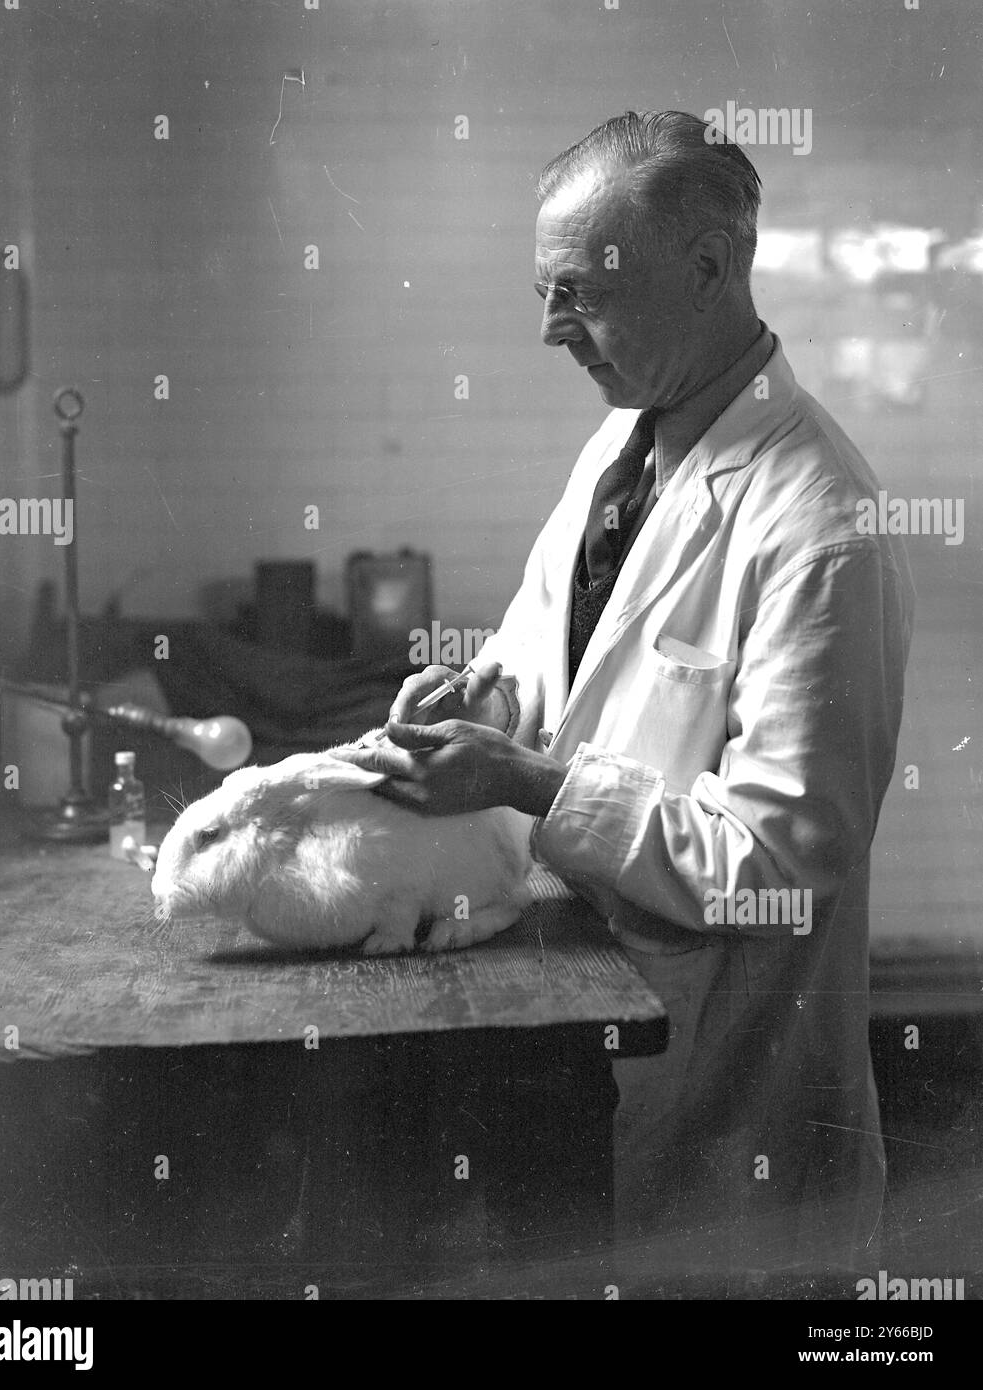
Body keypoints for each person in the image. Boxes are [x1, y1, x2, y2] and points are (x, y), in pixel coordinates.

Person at [334, 110, 914, 1280]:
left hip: (729, 1096)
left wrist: (522, 777)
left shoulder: (825, 524)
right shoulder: (618, 450)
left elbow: (776, 865)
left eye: (581, 292)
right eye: (542, 290)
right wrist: (484, 699)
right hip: (584, 1039)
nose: (550, 329)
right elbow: (550, 649)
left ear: (709, 269)